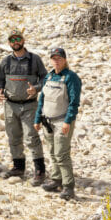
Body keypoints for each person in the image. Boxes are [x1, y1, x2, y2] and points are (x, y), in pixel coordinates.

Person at [0, 29, 48, 184]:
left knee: (31, 137)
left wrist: (36, 89)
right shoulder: (6, 61)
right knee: (13, 137)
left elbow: (45, 78)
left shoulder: (34, 59)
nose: (15, 42)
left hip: (29, 105)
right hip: (10, 106)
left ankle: (40, 170)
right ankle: (18, 167)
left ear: (23, 40)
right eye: (12, 40)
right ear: (9, 43)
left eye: (18, 39)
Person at [34, 48, 82, 200]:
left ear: (65, 60)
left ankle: (69, 186)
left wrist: (68, 121)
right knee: (53, 153)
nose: (56, 61)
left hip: (62, 121)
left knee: (62, 153)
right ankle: (56, 180)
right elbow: (41, 99)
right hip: (48, 121)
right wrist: (37, 119)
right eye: (54, 58)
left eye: (59, 58)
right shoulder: (48, 76)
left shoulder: (71, 77)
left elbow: (74, 102)